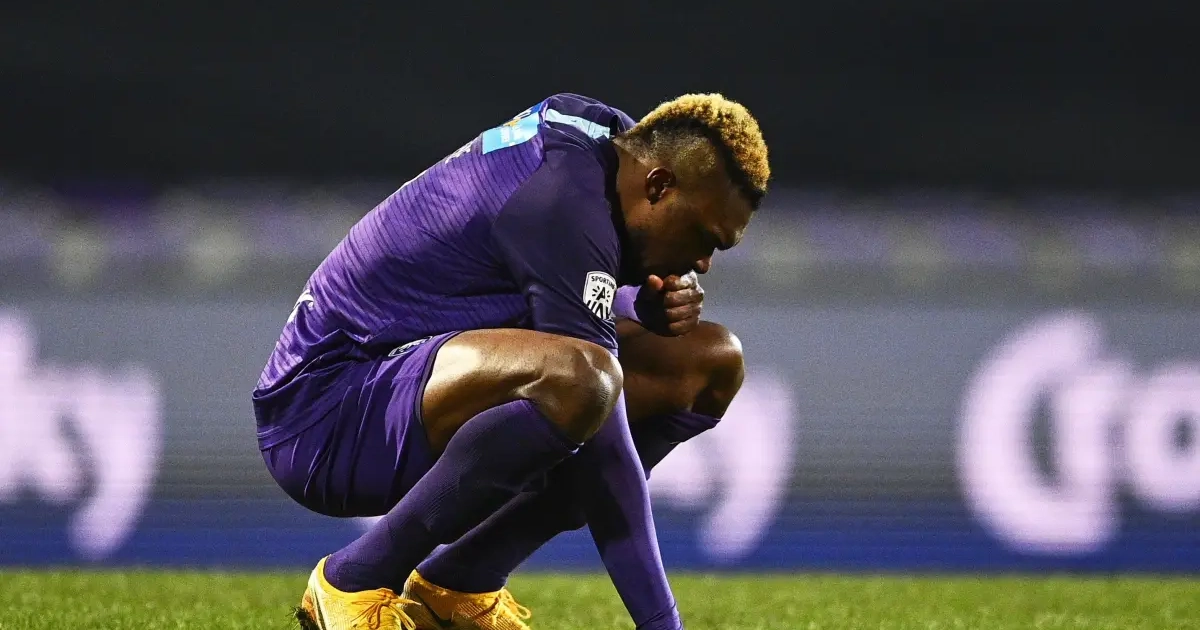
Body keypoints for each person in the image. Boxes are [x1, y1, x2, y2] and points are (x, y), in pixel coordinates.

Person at [251, 92, 770, 630]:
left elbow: (562, 274)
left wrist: (637, 300)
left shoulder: (606, 147)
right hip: (324, 417)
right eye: (703, 237)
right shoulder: (562, 199)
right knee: (581, 381)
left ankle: (460, 582)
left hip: (399, 381)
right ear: (659, 186)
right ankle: (353, 579)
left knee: (706, 363)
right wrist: (662, 622)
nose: (703, 264)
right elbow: (604, 444)